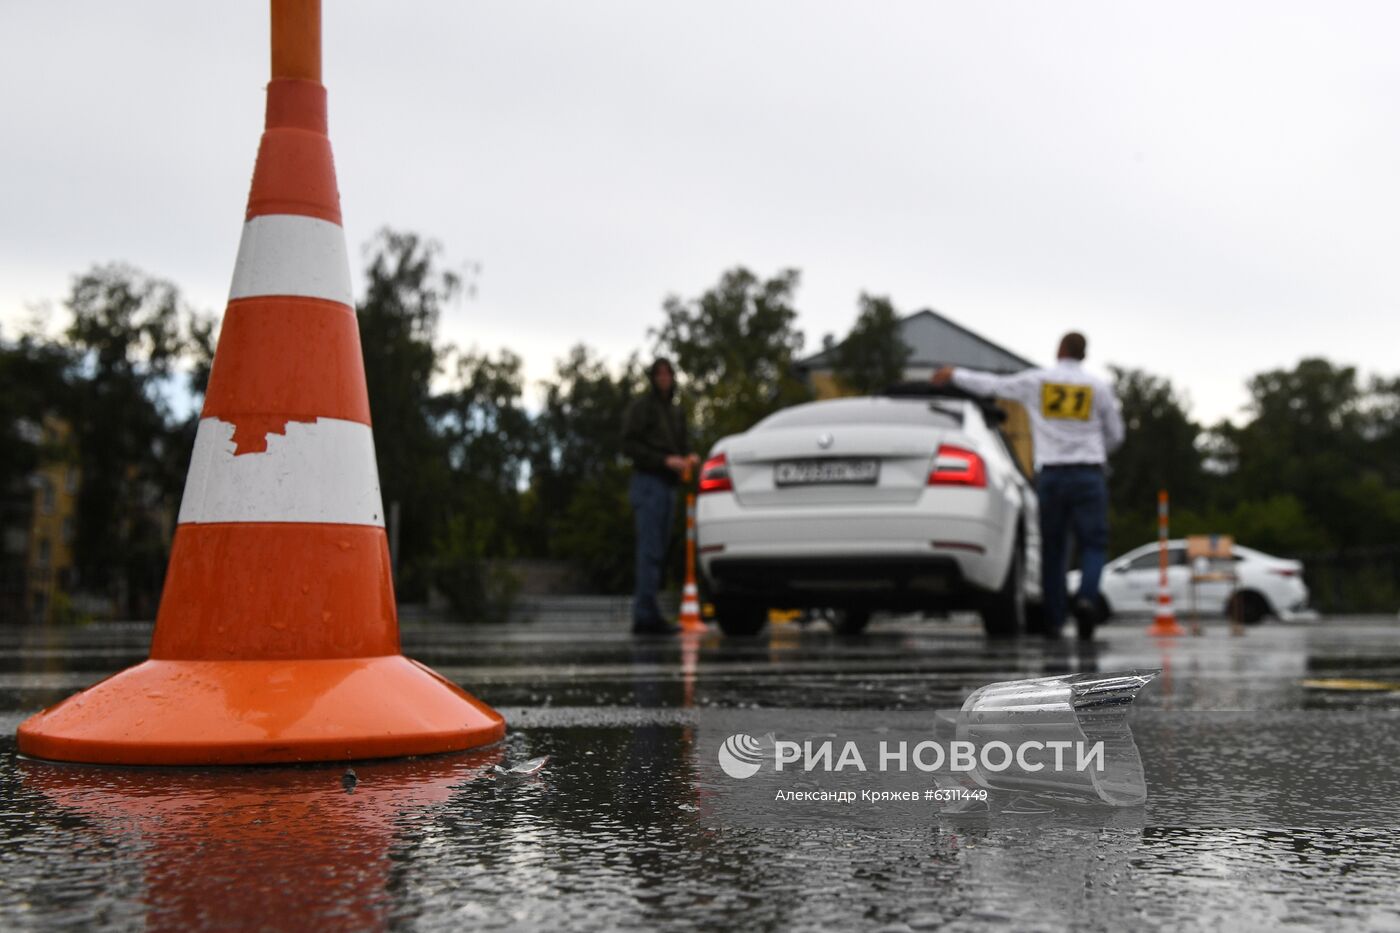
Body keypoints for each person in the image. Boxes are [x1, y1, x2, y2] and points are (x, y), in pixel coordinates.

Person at [932, 332, 1124, 641]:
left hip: (1051, 476)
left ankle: (1055, 619)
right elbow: (1116, 434)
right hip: (1089, 475)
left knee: (1053, 548)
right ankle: (1087, 599)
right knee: (1093, 544)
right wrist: (1094, 451)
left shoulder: (1039, 382)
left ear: (1060, 349)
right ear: (1083, 355)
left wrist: (954, 374)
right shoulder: (1097, 387)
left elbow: (994, 385)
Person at [622, 358, 698, 636]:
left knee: (659, 552)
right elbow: (629, 444)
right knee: (649, 551)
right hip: (648, 482)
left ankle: (650, 613)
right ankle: (644, 617)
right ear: (653, 377)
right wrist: (664, 460)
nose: (664, 378)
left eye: (668, 373)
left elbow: (682, 443)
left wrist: (688, 457)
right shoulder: (643, 408)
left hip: (668, 486)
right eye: (659, 373)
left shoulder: (675, 412)